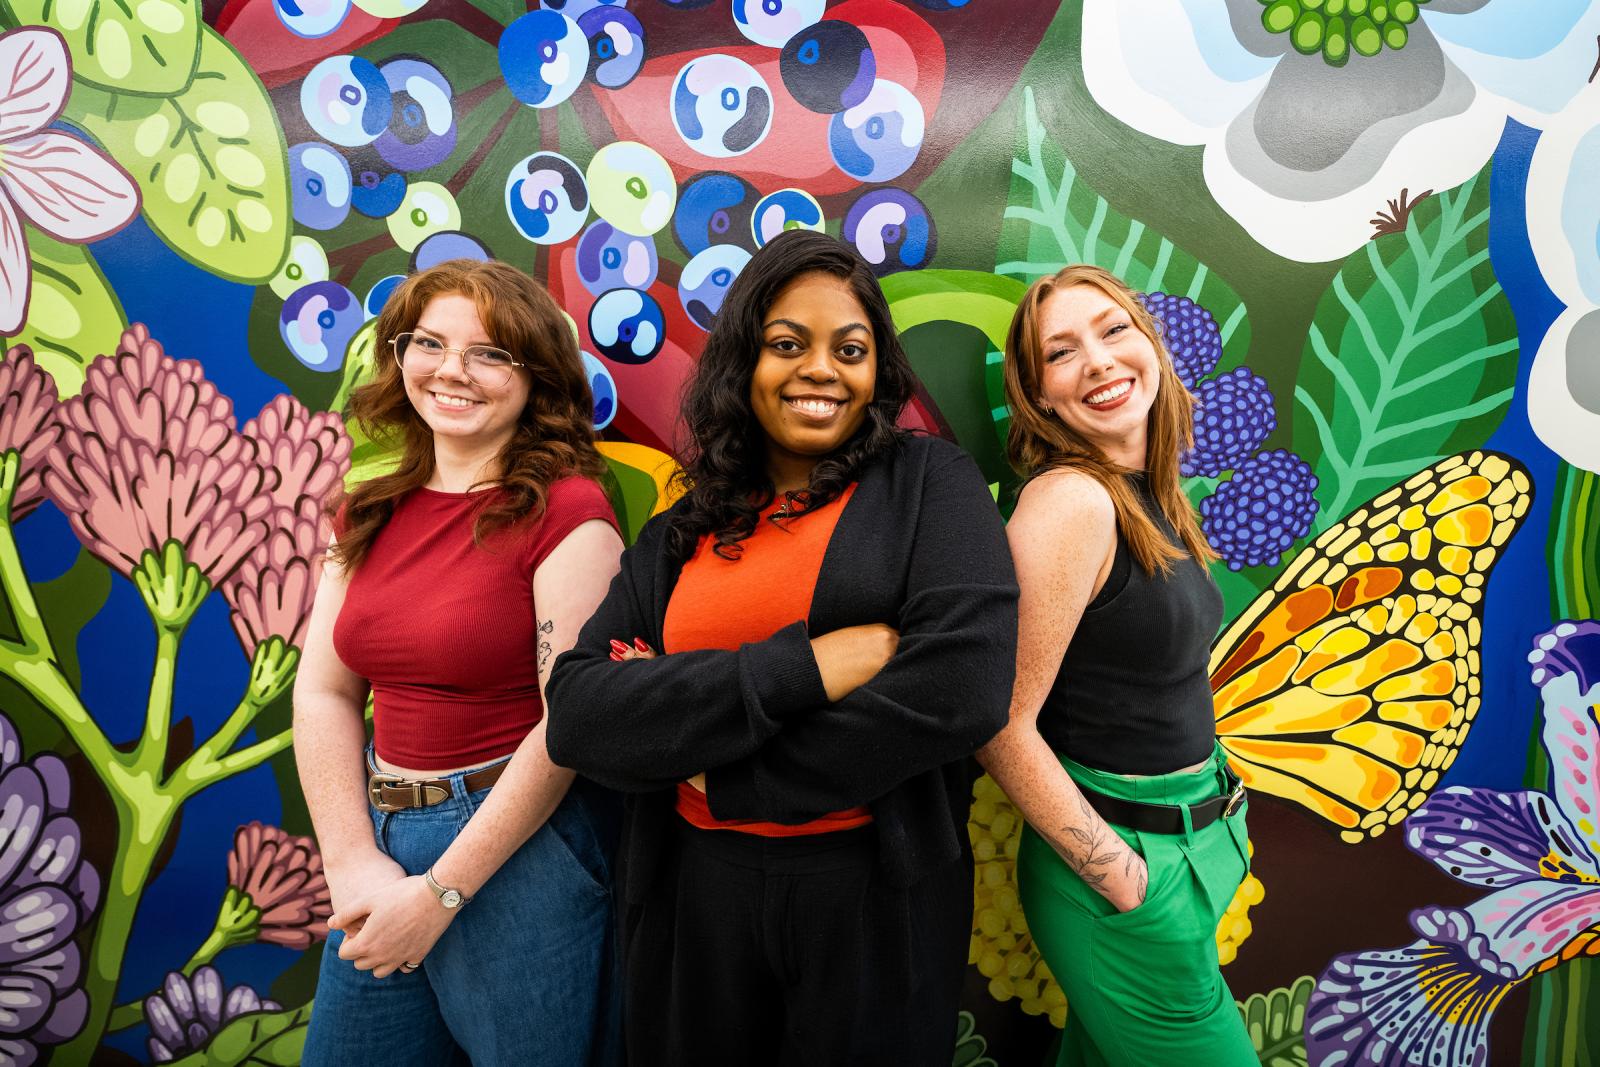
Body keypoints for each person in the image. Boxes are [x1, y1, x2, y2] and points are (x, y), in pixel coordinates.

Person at [544, 229, 1017, 1065]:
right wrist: (809, 665)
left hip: (870, 899)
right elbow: (582, 713)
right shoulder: (680, 526)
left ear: (879, 372)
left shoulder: (927, 485)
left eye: (852, 348)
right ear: (743, 362)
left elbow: (959, 689)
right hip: (695, 897)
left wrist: (723, 768)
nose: (821, 369)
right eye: (787, 344)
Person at [295, 259, 624, 1065]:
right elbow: (324, 691)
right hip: (378, 844)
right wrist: (352, 860)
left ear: (536, 376)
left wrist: (442, 890)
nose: (452, 370)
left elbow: (569, 724)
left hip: (517, 852)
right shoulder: (369, 510)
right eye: (430, 343)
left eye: (489, 353)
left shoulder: (570, 511)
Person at [978, 264, 1256, 1065]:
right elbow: (999, 721)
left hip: (1192, 847)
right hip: (1128, 877)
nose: (1097, 361)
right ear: (1042, 399)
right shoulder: (1073, 500)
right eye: (1060, 353)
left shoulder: (1150, 491)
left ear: (1151, 346)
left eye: (1112, 330)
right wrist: (1125, 880)